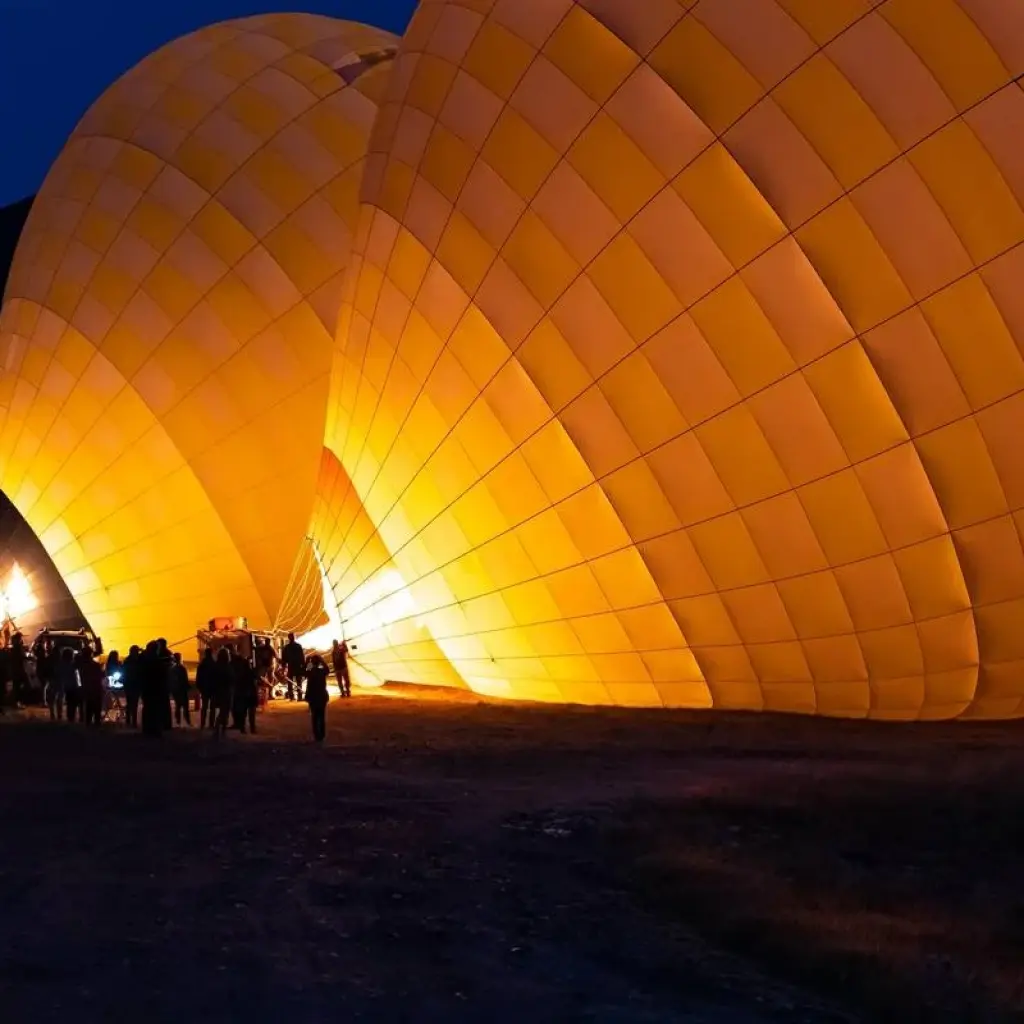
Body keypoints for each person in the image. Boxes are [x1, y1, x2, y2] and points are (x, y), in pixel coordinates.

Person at [230, 646, 257, 734]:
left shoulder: (239, 673)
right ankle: (252, 728)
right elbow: (255, 680)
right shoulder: (250, 671)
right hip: (250, 694)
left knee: (243, 712)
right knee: (251, 713)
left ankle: (243, 728)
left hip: (243, 694)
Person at [305, 654, 329, 743]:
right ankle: (321, 735)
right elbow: (327, 669)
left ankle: (317, 735)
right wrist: (322, 660)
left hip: (313, 696)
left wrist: (308, 661)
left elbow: (306, 671)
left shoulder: (311, 671)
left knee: (314, 717)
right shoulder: (321, 671)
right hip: (322, 696)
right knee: (321, 716)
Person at [79, 648, 105, 727]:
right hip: (95, 688)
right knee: (95, 707)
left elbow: (78, 677)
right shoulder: (95, 665)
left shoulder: (80, 665)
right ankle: (96, 722)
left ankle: (88, 722)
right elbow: (101, 676)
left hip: (88, 688)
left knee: (88, 707)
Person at [212, 648, 233, 739]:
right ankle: (221, 730)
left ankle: (219, 730)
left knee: (222, 711)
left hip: (218, 691)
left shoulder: (216, 666)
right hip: (226, 691)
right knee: (225, 711)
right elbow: (231, 679)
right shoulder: (227, 667)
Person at [47, 648, 71, 721]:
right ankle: (58, 715)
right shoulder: (69, 664)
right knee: (59, 699)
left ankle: (53, 714)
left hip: (55, 682)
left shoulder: (55, 662)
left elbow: (52, 672)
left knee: (54, 698)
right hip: (60, 682)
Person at [196, 648, 217, 729]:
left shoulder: (202, 665)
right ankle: (211, 724)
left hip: (204, 688)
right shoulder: (214, 664)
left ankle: (202, 723)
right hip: (212, 688)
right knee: (212, 708)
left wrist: (199, 687)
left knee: (204, 707)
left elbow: (198, 677)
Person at [122, 645, 142, 728]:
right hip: (133, 684)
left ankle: (130, 720)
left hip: (130, 684)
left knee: (131, 703)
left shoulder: (127, 660)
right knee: (133, 703)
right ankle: (131, 721)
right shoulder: (137, 661)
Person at [281, 632, 304, 701]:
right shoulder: (298, 646)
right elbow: (302, 657)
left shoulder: (286, 647)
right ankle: (298, 696)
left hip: (292, 666)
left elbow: (284, 659)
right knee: (297, 682)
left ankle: (292, 696)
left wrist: (284, 667)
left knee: (291, 682)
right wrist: (303, 666)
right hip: (296, 666)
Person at [169, 652, 191, 726]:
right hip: (182, 689)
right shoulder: (182, 668)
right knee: (185, 706)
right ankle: (187, 721)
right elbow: (185, 679)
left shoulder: (172, 668)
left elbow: (171, 680)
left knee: (178, 705)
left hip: (175, 689)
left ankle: (178, 721)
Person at [64, 648, 83, 723]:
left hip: (68, 687)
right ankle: (79, 719)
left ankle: (70, 719)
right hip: (74, 687)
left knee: (70, 704)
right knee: (77, 704)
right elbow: (76, 678)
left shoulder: (63, 664)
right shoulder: (73, 666)